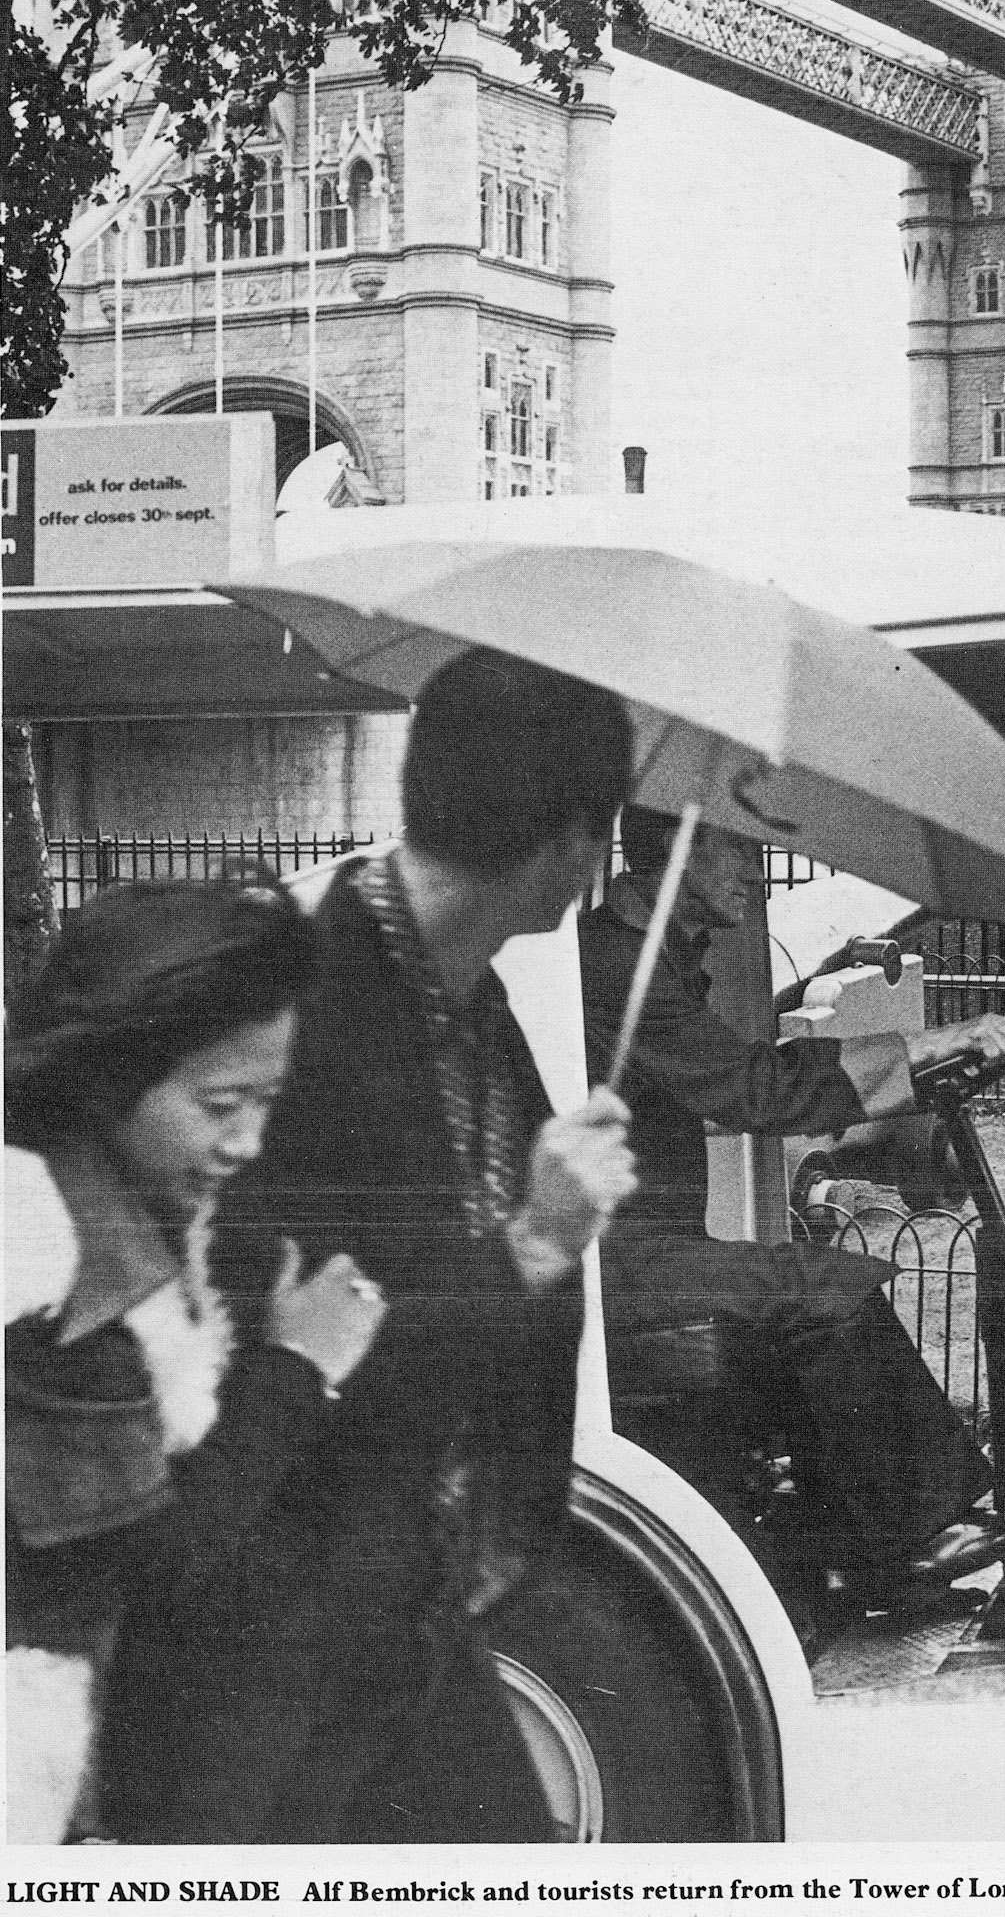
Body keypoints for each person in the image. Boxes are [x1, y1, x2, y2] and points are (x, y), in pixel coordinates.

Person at [99, 648, 637, 1845]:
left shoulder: (468, 1002)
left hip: (401, 1592)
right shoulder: (293, 1006)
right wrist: (532, 1244)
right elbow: (302, 1339)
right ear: (572, 843)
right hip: (262, 1638)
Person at [578, 807, 1005, 1598]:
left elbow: (747, 1072)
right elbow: (754, 1088)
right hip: (618, 1261)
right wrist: (930, 1042)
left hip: (636, 1251)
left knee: (807, 1288)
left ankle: (855, 1549)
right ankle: (914, 1538)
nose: (755, 869)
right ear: (679, 849)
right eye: (737, 847)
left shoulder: (649, 956)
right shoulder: (619, 963)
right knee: (827, 1289)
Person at [4, 877, 385, 1845]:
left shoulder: (110, 1202)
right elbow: (150, 1565)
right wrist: (298, 1367)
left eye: (266, 1100)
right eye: (221, 1103)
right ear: (108, 1076)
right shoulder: (50, 1278)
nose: (248, 1140)